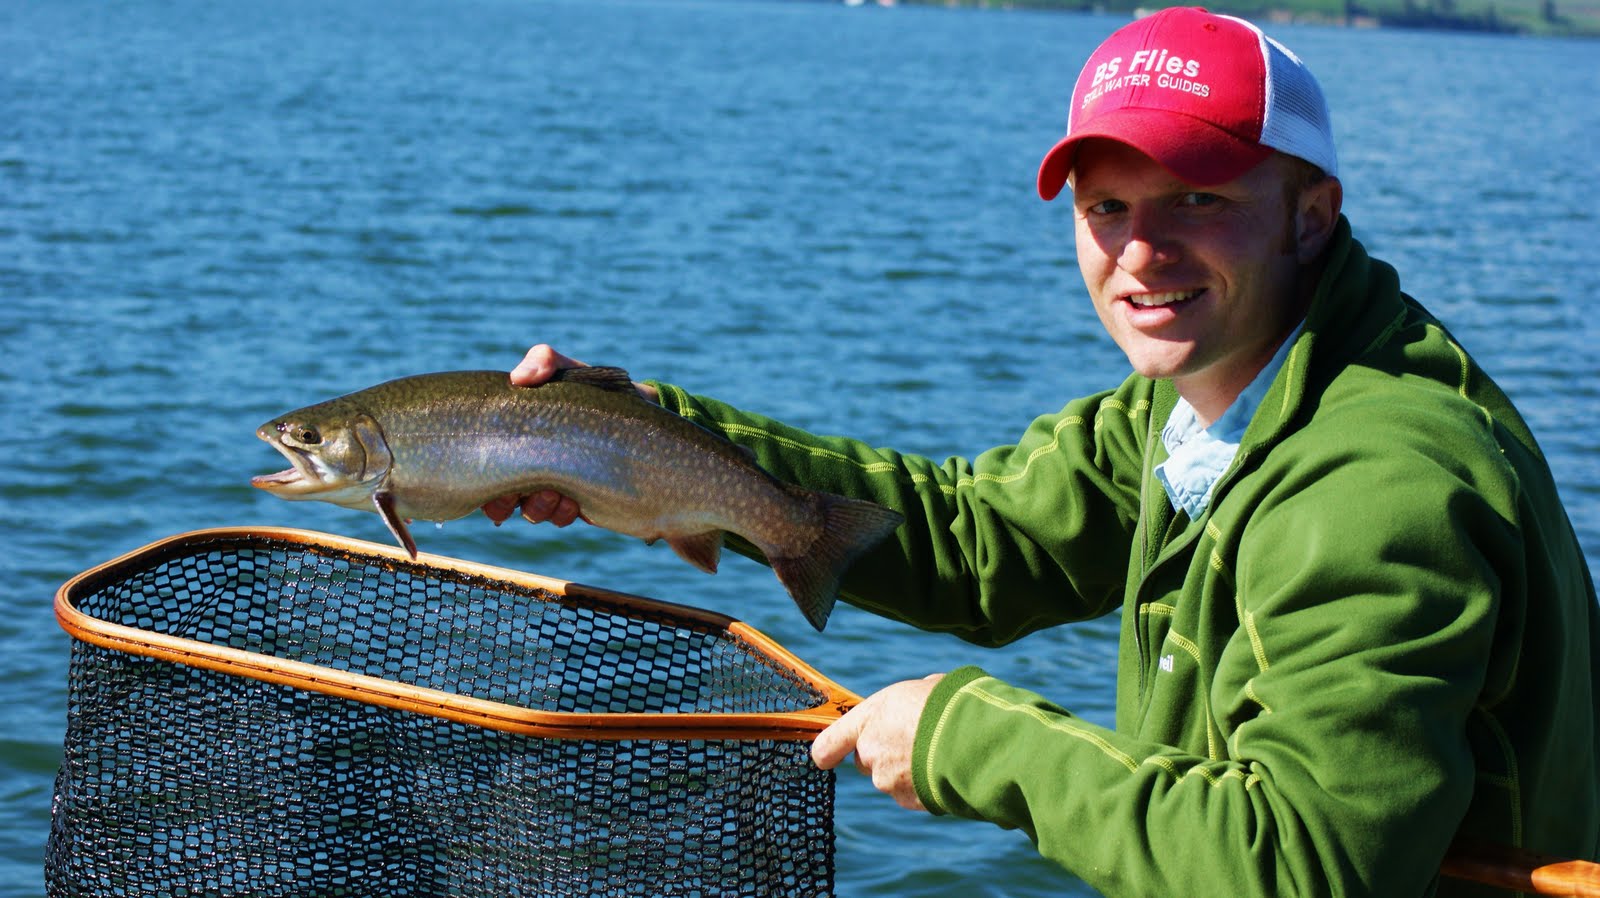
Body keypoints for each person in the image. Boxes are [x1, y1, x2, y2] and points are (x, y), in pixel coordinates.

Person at [484, 7, 1599, 896]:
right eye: (1106, 207)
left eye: (1197, 199)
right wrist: (638, 435)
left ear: (1311, 213)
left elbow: (1297, 865)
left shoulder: (1382, 485)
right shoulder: (1210, 397)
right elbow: (983, 538)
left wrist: (973, 734)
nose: (1141, 252)